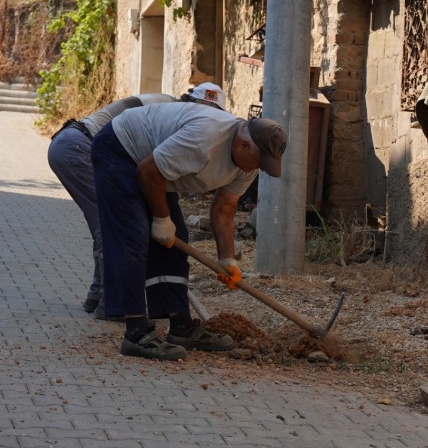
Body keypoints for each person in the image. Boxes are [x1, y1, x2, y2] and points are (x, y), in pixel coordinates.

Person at [91, 101, 287, 360]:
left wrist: (227, 259)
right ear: (244, 144)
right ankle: (136, 333)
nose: (258, 168)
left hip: (157, 167)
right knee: (134, 236)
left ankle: (181, 325)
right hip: (120, 150)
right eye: (260, 161)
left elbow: (224, 208)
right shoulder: (205, 139)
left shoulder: (247, 163)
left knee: (175, 239)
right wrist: (161, 219)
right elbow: (148, 170)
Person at [47, 83, 227, 313]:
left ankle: (98, 295)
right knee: (113, 226)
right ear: (193, 103)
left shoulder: (177, 111)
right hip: (80, 147)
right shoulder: (169, 110)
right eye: (206, 111)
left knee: (106, 225)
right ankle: (111, 304)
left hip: (73, 144)